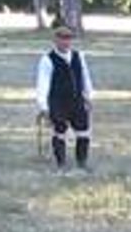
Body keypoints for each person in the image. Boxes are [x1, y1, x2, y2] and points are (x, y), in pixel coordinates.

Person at [34, 26, 95, 170]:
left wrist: (89, 95)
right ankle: (61, 163)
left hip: (77, 100)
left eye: (68, 39)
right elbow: (42, 83)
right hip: (57, 102)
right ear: (55, 40)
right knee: (59, 131)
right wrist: (43, 106)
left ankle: (82, 162)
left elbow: (85, 77)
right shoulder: (47, 60)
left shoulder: (79, 56)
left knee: (83, 131)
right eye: (62, 39)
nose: (66, 42)